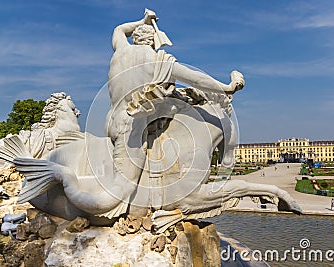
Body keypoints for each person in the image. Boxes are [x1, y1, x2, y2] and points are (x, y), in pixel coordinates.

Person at [105, 9, 245, 210]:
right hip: (133, 128)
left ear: (135, 38)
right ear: (153, 40)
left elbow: (119, 29)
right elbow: (197, 79)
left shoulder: (120, 51)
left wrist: (142, 21)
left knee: (171, 100)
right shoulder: (157, 60)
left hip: (111, 123)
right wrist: (226, 87)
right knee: (122, 190)